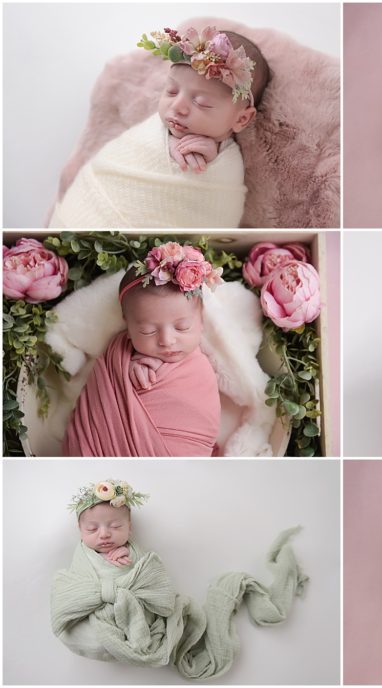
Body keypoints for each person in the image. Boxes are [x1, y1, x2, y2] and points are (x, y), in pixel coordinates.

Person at [52, 479, 307, 679]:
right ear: (80, 532)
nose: (104, 535)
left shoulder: (136, 556)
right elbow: (71, 589)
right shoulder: (82, 559)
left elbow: (157, 588)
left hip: (137, 616)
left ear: (130, 529)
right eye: (92, 529)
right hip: (95, 621)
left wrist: (127, 563)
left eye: (115, 527)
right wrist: (107, 579)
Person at [48, 26, 270, 228]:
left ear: (241, 119)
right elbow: (121, 156)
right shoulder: (152, 129)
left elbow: (217, 211)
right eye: (171, 91)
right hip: (82, 215)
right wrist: (165, 148)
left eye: (201, 102)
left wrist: (210, 166)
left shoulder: (228, 162)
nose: (177, 106)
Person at [62, 242, 222, 456]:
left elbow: (200, 416)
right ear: (128, 326)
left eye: (182, 327)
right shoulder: (117, 359)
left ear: (201, 320)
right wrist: (129, 372)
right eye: (147, 331)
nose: (167, 340)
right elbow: (104, 402)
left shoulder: (198, 371)